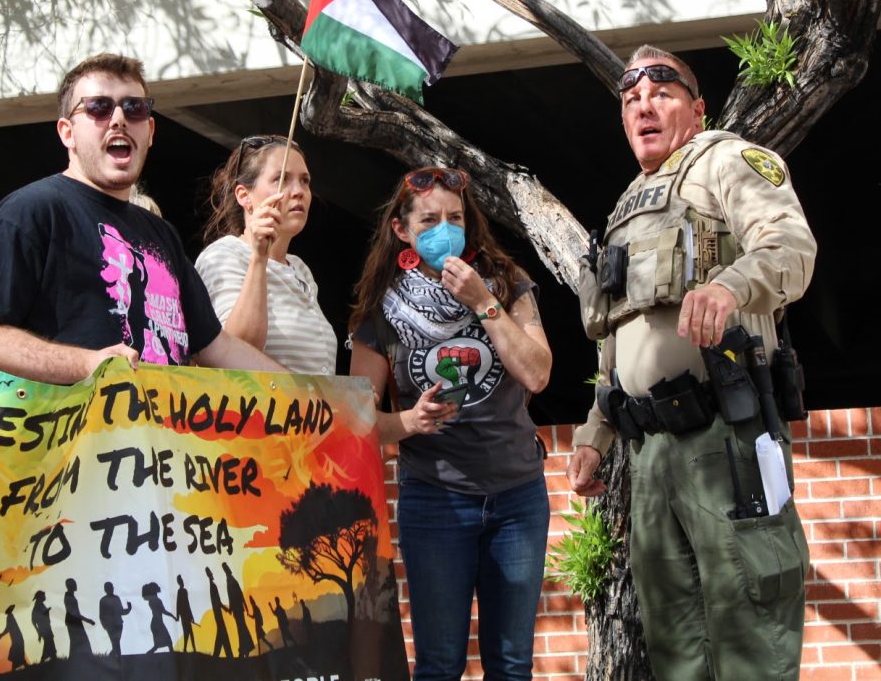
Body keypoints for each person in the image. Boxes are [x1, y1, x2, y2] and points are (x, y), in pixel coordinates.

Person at [567, 45, 815, 680]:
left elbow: (791, 246)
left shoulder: (726, 161)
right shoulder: (626, 207)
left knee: (751, 627)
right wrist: (596, 434)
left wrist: (730, 285)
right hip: (649, 455)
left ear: (697, 108)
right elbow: (615, 335)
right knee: (675, 643)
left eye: (662, 94)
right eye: (630, 101)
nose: (643, 107)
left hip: (727, 440)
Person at [0, 53, 283, 384]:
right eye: (98, 107)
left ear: (150, 130)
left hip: (156, 434)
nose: (118, 119)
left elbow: (218, 347)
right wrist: (86, 363)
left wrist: (319, 398)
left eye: (135, 108)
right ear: (67, 132)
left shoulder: (161, 235)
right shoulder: (31, 211)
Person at [348, 167, 552, 680]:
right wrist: (410, 421)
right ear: (402, 231)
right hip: (436, 499)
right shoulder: (380, 309)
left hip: (518, 497)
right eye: (431, 219)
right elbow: (360, 424)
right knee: (439, 664)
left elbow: (537, 373)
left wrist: (484, 302)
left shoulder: (505, 283)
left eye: (456, 218)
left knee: (511, 663)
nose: (446, 229)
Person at [195, 135, 337, 374]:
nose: (299, 191)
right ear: (244, 196)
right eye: (281, 179)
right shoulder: (223, 255)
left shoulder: (300, 269)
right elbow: (234, 352)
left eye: (305, 181)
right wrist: (259, 258)